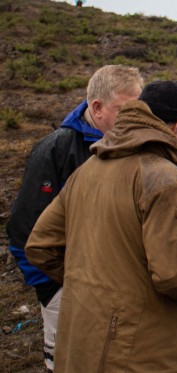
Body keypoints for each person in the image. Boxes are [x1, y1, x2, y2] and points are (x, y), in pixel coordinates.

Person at [25, 80, 177, 372]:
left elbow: (42, 246)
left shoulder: (88, 170)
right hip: (136, 354)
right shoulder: (164, 180)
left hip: (81, 342)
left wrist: (98, 294)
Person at [6, 64, 143, 372]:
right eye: (125, 111)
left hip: (115, 289)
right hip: (65, 289)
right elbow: (24, 229)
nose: (135, 121)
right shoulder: (56, 150)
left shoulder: (128, 148)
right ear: (97, 107)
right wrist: (52, 289)